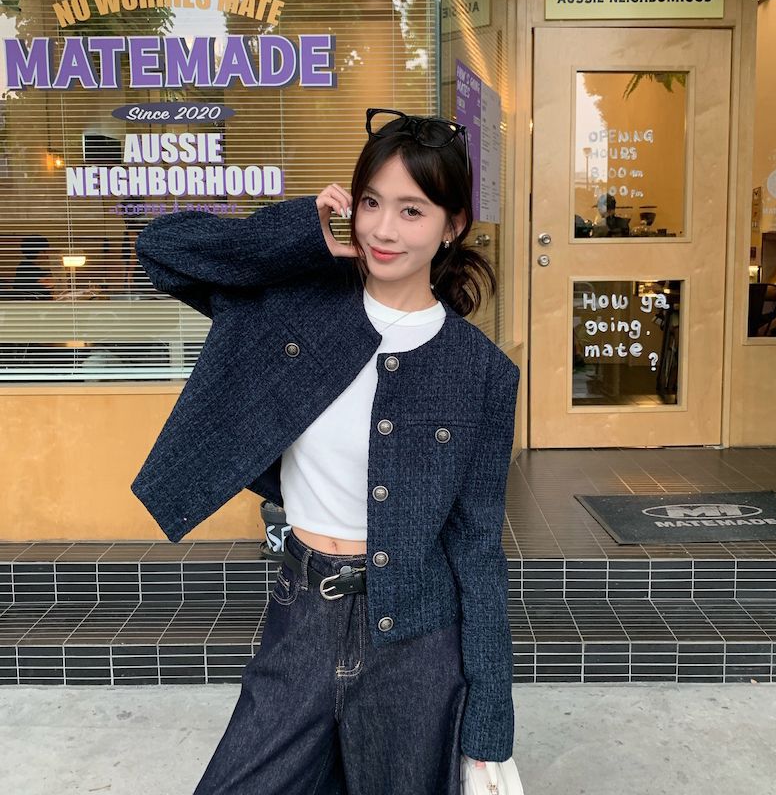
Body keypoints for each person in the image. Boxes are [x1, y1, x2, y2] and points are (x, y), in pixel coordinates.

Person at [131, 108, 520, 794]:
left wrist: (490, 724)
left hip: (417, 643)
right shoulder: (296, 309)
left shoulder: (483, 374)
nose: (382, 229)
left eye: (411, 210)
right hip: (301, 616)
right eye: (370, 203)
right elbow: (163, 250)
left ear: (452, 225)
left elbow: (478, 546)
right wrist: (295, 236)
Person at [12, 235, 54, 300]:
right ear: (39, 252)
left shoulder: (29, 266)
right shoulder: (26, 268)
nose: (48, 254)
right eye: (45, 250)